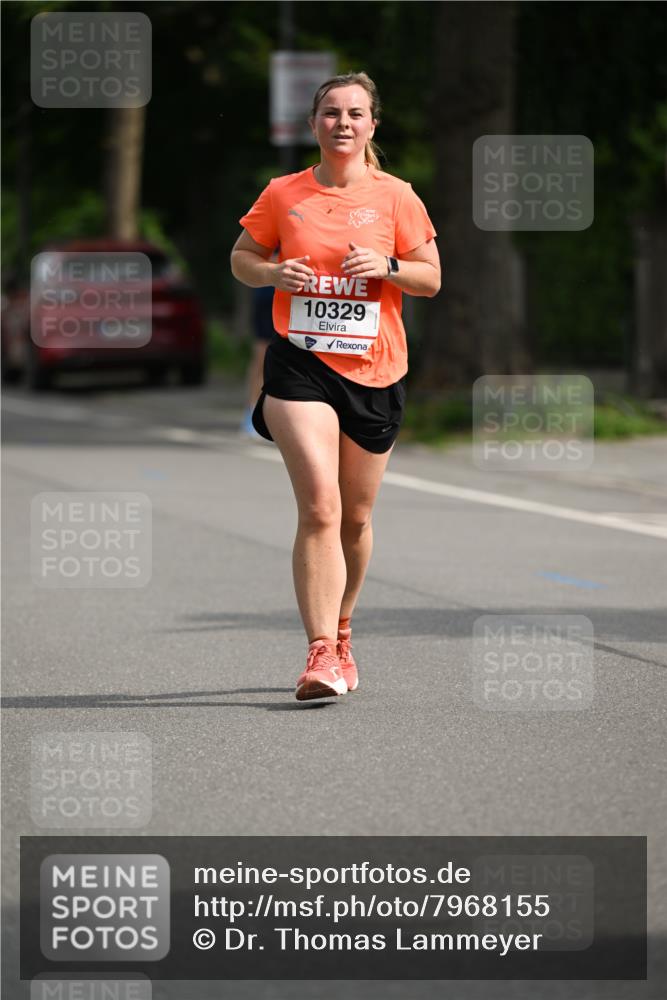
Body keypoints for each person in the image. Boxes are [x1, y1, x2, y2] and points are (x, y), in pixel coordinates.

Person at [230, 71, 440, 702]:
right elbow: (242, 259)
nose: (342, 123)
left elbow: (430, 278)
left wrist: (389, 266)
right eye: (330, 113)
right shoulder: (283, 193)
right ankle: (320, 651)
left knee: (354, 517)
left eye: (354, 113)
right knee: (320, 506)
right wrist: (274, 272)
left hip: (376, 370)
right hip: (301, 364)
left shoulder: (398, 197)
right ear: (313, 124)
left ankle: (343, 630)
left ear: (372, 125)